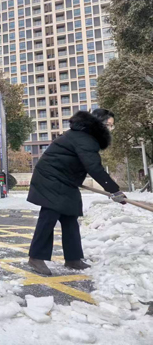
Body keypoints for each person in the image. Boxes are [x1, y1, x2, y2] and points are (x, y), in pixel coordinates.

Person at [27, 109, 126, 276]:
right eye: (109, 125)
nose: (110, 129)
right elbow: (94, 167)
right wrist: (114, 190)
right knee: (49, 216)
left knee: (70, 217)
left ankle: (73, 259)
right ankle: (36, 257)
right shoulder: (85, 139)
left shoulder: (84, 136)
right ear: (99, 124)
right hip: (51, 178)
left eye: (112, 126)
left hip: (64, 180)